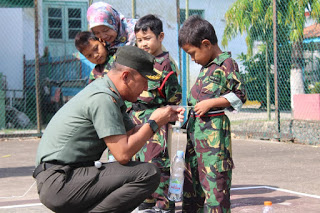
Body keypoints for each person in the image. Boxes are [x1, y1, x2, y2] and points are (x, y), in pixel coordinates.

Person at [33, 45, 185, 213]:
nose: (145, 88)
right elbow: (123, 154)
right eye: (145, 80)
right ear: (126, 76)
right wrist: (154, 123)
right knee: (148, 173)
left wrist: (160, 119)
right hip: (60, 181)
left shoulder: (108, 93)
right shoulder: (103, 99)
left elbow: (132, 134)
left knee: (139, 172)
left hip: (65, 178)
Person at [178, 15, 247, 212]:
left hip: (214, 143)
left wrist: (211, 103)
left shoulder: (227, 65)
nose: (192, 59)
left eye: (192, 53)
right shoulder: (205, 68)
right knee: (192, 189)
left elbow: (240, 96)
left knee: (215, 190)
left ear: (206, 44)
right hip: (195, 139)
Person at [131, 14, 182, 213]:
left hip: (157, 120)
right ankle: (147, 199)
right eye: (139, 40)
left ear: (160, 37)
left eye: (147, 39)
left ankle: (163, 203)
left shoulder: (166, 64)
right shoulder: (140, 62)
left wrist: (167, 117)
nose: (143, 44)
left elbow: (173, 97)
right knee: (139, 162)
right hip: (136, 119)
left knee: (157, 163)